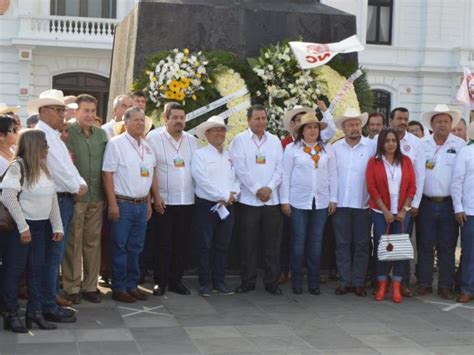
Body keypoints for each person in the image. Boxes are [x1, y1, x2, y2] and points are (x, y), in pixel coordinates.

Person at [29, 89, 87, 323]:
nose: (63, 114)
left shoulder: (53, 135)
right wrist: (77, 186)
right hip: (54, 200)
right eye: (58, 109)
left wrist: (79, 183)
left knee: (54, 254)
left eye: (63, 109)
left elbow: (69, 167)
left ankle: (48, 301)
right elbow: (58, 170)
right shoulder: (41, 135)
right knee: (51, 255)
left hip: (63, 198)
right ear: (43, 111)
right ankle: (47, 305)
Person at [1, 129, 63, 332]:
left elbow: (52, 198)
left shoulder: (44, 168)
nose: (47, 147)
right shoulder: (17, 167)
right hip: (20, 230)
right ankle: (10, 314)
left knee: (37, 271)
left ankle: (34, 313)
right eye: (44, 143)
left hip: (40, 227)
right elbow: (8, 197)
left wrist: (57, 225)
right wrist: (23, 227)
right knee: (14, 272)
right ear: (34, 145)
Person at [279, 112, 337, 295]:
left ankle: (313, 282)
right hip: (298, 202)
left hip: (320, 202)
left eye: (315, 127)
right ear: (301, 131)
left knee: (316, 243)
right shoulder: (291, 149)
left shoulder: (327, 150)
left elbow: (333, 175)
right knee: (298, 242)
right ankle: (296, 281)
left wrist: (333, 198)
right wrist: (284, 201)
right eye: (309, 127)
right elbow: (285, 175)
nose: (312, 130)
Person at [102, 107, 155, 303]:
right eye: (136, 120)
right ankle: (119, 287)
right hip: (123, 204)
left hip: (142, 204)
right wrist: (112, 203)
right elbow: (107, 173)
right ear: (126, 123)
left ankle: (132, 285)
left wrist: (149, 202)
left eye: (143, 120)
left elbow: (149, 175)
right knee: (119, 246)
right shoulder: (116, 144)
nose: (140, 123)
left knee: (136, 247)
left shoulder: (147, 147)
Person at [230, 104, 284, 295]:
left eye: (264, 118)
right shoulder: (239, 140)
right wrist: (256, 189)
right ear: (249, 120)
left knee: (272, 245)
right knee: (248, 244)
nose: (261, 122)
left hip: (271, 200)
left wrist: (269, 188)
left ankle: (271, 282)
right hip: (248, 201)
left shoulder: (275, 140)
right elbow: (239, 168)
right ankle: (248, 281)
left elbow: (280, 168)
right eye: (257, 118)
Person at [62, 94, 108, 304]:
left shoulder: (101, 135)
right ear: (76, 111)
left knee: (92, 243)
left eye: (92, 111)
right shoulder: (67, 133)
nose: (90, 115)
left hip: (96, 196)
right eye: (85, 111)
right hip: (75, 197)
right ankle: (71, 287)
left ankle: (90, 286)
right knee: (73, 243)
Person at [416, 104, 466, 299]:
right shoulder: (422, 144)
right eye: (439, 121)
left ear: (451, 124)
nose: (443, 125)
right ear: (432, 124)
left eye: (446, 121)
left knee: (447, 246)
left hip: (449, 204)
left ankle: (445, 284)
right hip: (426, 203)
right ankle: (424, 283)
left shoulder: (459, 146)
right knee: (425, 244)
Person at [191, 116, 240, 296]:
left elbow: (237, 178)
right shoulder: (200, 155)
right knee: (205, 245)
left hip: (227, 206)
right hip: (207, 207)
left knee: (223, 245)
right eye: (216, 130)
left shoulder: (230, 155)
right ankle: (205, 283)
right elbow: (201, 181)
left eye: (222, 130)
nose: (220, 133)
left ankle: (219, 282)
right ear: (207, 134)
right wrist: (222, 196)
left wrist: (233, 194)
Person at [366, 129, 416, 303]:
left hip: (402, 212)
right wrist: (385, 210)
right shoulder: (374, 162)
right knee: (383, 249)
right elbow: (371, 188)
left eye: (393, 140)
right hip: (381, 212)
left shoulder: (406, 161)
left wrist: (404, 209)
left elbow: (412, 188)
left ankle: (396, 286)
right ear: (381, 143)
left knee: (399, 250)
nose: (390, 143)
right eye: (387, 140)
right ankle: (382, 285)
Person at [332, 108, 376, 296]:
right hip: (341, 204)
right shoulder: (335, 148)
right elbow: (332, 176)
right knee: (342, 244)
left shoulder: (371, 147)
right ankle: (344, 281)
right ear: (343, 128)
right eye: (350, 124)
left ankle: (358, 282)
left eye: (357, 124)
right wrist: (332, 200)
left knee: (362, 245)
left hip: (363, 204)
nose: (354, 128)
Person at [387, 107, 426, 296]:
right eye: (399, 118)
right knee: (385, 241)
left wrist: (414, 204)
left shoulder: (416, 144)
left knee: (401, 242)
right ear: (391, 120)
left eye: (406, 119)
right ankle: (382, 280)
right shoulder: (382, 139)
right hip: (384, 205)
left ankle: (401, 282)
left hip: (405, 205)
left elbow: (420, 175)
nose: (403, 122)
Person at [452, 122, 474, 303]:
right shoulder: (466, 152)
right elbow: (457, 181)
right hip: (470, 211)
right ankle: (467, 288)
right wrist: (458, 207)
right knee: (469, 252)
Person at [0, 115, 18, 313]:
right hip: (4, 215)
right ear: (1, 136)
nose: (15, 133)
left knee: (11, 264)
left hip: (15, 216)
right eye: (12, 130)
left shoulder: (13, 151)